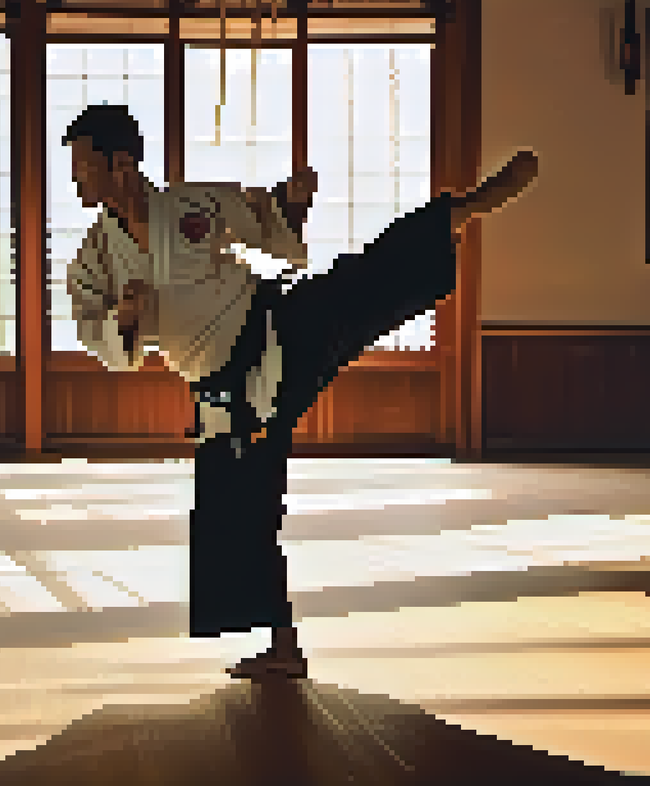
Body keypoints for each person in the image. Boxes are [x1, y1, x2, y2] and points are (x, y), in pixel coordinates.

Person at [62, 103, 539, 679]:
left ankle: (456, 213)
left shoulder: (190, 206)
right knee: (233, 513)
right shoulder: (96, 255)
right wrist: (126, 319)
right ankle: (282, 646)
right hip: (226, 394)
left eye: (83, 164)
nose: (75, 177)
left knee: (353, 286)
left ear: (119, 162)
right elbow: (96, 330)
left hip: (276, 326)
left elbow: (265, 222)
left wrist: (291, 203)